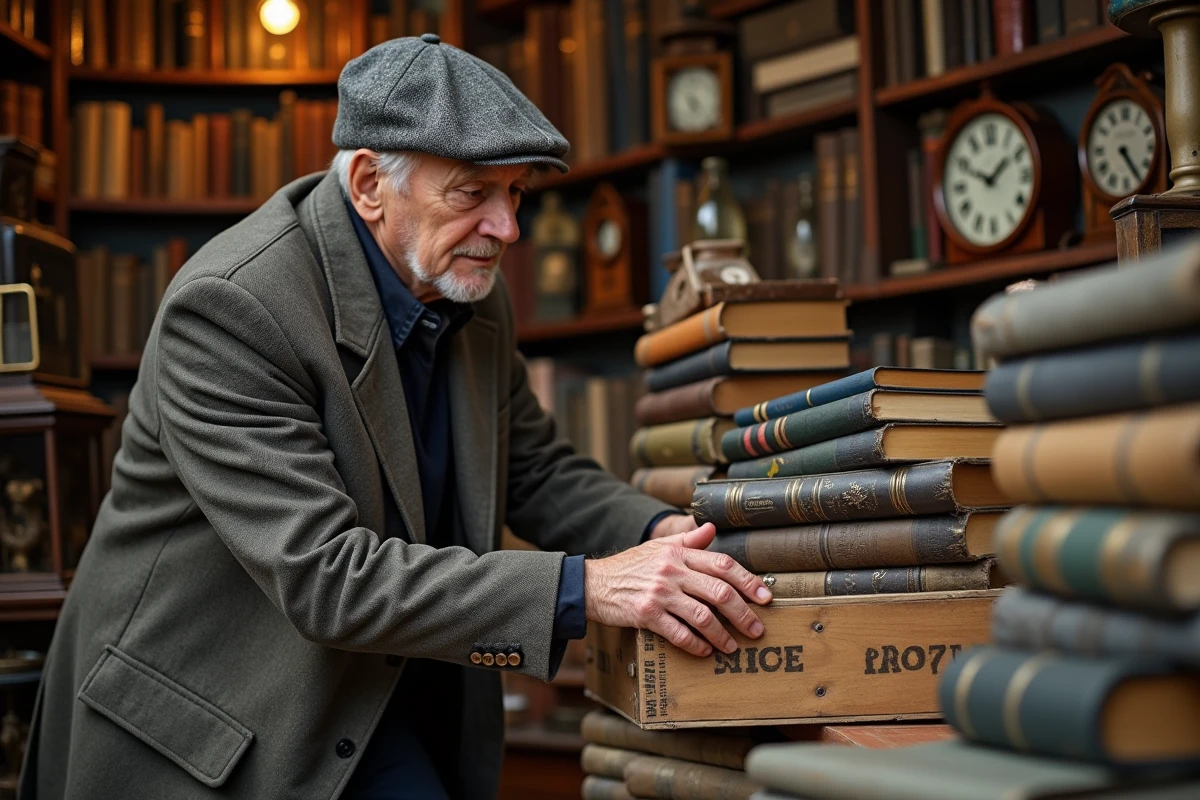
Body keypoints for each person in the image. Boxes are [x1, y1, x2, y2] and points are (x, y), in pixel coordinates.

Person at [21, 35, 772, 800]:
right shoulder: (231, 307)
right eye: (472, 193)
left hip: (387, 689)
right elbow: (325, 576)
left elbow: (535, 469)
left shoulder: (468, 284)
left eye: (516, 193)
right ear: (370, 182)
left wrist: (659, 535)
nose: (508, 229)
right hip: (217, 720)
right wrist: (589, 588)